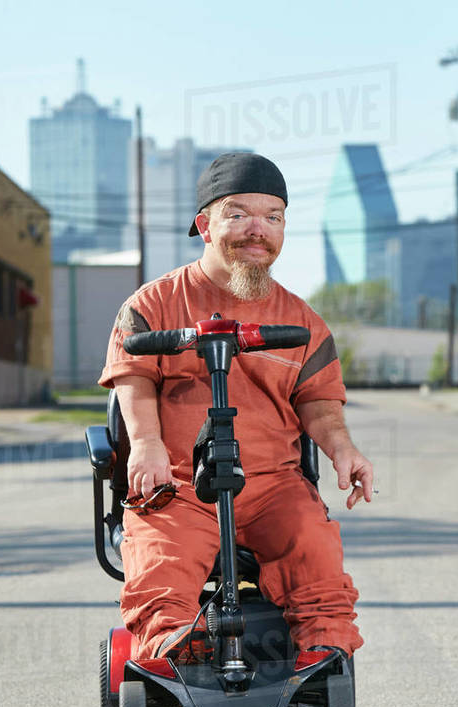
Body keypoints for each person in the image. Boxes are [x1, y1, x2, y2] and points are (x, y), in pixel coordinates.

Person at [99, 152, 373, 661]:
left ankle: (323, 654)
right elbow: (131, 379)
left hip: (272, 485)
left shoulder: (303, 321)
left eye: (273, 218)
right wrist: (146, 446)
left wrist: (344, 451)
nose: (258, 230)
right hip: (178, 484)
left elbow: (319, 403)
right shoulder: (152, 305)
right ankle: (174, 647)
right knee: (163, 563)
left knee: (313, 551)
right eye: (240, 215)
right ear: (205, 225)